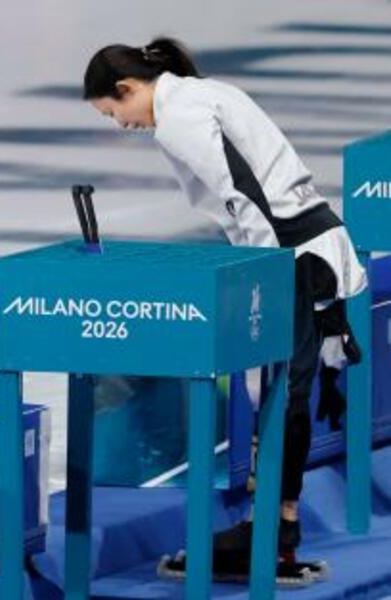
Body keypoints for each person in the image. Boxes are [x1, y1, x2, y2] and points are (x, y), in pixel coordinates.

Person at [82, 37, 367, 583]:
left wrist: (263, 275)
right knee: (281, 395)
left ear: (127, 87)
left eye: (112, 112)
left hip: (289, 255)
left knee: (281, 397)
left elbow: (245, 195)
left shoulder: (180, 116)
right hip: (307, 248)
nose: (121, 125)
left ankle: (273, 530)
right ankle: (276, 527)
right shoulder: (205, 92)